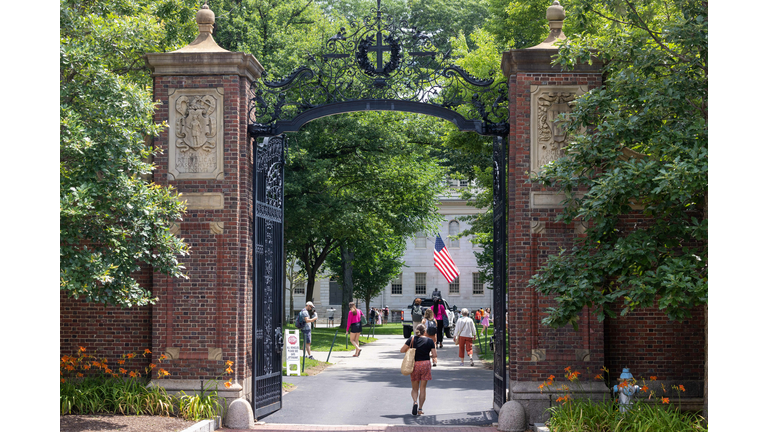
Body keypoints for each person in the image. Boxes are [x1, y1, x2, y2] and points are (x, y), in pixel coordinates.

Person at [400, 323, 436, 416]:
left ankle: (415, 401)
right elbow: (434, 355)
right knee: (423, 388)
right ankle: (420, 409)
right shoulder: (430, 341)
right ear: (425, 332)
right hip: (425, 364)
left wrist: (411, 350)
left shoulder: (411, 339)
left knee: (415, 388)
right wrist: (429, 355)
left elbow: (402, 350)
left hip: (415, 364)